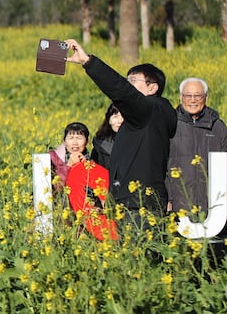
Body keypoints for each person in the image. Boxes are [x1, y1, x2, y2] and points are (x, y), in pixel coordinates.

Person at [64, 39, 176, 218]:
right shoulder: (151, 116)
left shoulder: (149, 110)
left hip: (138, 206)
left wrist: (88, 62)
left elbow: (121, 90)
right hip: (134, 202)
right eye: (127, 80)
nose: (128, 84)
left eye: (132, 80)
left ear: (152, 88)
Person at [167, 77, 227, 219]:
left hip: (212, 205)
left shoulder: (218, 127)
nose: (193, 100)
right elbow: (160, 165)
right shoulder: (170, 125)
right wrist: (168, 198)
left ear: (206, 97)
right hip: (178, 204)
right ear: (181, 97)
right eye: (188, 96)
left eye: (197, 96)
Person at [49, 121, 90, 197]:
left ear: (87, 141)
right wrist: (68, 166)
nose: (75, 143)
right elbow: (53, 190)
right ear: (64, 141)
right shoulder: (53, 158)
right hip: (59, 206)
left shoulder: (91, 159)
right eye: (71, 138)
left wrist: (87, 168)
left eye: (79, 138)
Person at [90, 104, 123, 170]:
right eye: (115, 116)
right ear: (109, 120)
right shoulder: (100, 144)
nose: (120, 121)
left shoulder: (136, 142)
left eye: (124, 116)